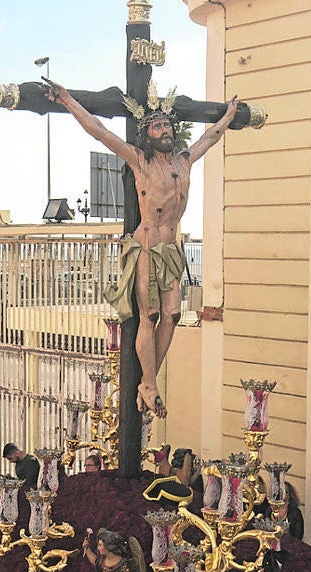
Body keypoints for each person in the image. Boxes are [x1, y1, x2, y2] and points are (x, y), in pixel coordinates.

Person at [46, 78, 238, 416]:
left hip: (172, 250)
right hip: (147, 247)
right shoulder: (140, 161)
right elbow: (100, 132)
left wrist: (228, 116)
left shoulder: (184, 160)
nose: (164, 129)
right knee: (148, 316)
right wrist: (67, 100)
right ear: (146, 135)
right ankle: (149, 385)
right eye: (157, 126)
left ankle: (149, 381)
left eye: (167, 125)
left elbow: (210, 137)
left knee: (174, 315)